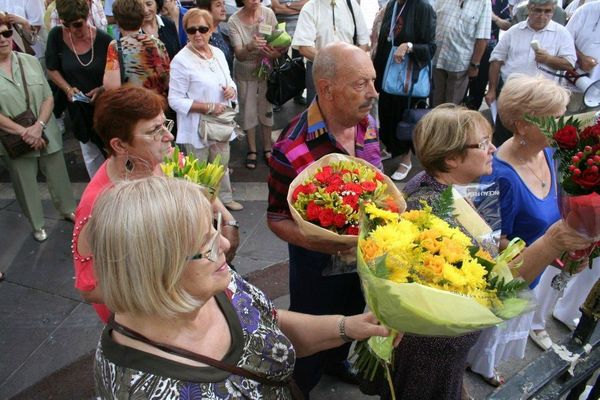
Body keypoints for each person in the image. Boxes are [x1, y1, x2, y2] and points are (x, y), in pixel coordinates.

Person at [91, 176, 397, 398]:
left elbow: (267, 325)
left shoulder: (214, 284)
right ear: (158, 267)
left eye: (215, 228)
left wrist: (348, 327)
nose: (224, 243)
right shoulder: (141, 388)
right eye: (206, 244)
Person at [377, 103, 592, 399]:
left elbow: (492, 253)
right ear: (451, 158)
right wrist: (552, 241)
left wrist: (552, 256)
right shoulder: (429, 213)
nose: (493, 148)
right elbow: (492, 286)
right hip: (431, 348)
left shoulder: (454, 187)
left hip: (450, 344)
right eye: (482, 143)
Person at [267, 42, 381, 397]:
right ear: (327, 89)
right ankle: (299, 385)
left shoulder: (368, 125)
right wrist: (324, 242)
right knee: (312, 332)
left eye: (373, 82)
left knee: (352, 313)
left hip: (364, 260)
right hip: (317, 267)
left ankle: (337, 361)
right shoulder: (291, 146)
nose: (374, 94)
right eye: (361, 84)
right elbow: (275, 218)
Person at [72, 86, 240, 323]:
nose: (169, 137)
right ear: (119, 145)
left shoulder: (166, 156)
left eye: (165, 125)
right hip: (153, 312)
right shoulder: (98, 205)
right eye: (154, 131)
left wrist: (228, 221)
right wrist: (172, 281)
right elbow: (89, 288)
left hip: (196, 283)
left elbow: (200, 183)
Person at [485, 75, 591, 352]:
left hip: (534, 278)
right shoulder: (497, 177)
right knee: (488, 345)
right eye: (554, 118)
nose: (563, 124)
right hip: (505, 286)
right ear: (522, 126)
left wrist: (567, 252)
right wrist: (552, 249)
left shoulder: (548, 153)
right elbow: (494, 246)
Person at [0, 14, 76, 242]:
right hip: (14, 138)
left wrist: (38, 125)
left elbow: (48, 97)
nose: (2, 39)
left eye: (5, 33)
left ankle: (68, 209)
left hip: (45, 130)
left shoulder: (29, 60)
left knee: (58, 173)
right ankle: (37, 223)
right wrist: (25, 131)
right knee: (24, 183)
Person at [169, 9, 244, 212]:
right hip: (196, 127)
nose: (198, 34)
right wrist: (206, 107)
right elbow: (174, 100)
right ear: (186, 32)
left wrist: (231, 90)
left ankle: (225, 199)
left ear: (212, 29)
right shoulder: (181, 61)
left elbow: (230, 82)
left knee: (221, 164)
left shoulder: (218, 53)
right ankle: (202, 208)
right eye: (192, 30)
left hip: (220, 123)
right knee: (200, 170)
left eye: (203, 29)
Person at [486, 0, 576, 144]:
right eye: (538, 10)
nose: (542, 16)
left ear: (553, 10)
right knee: (505, 138)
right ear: (529, 9)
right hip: (512, 96)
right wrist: (491, 90)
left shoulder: (561, 33)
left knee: (536, 141)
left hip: (543, 100)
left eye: (547, 11)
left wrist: (548, 59)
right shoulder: (514, 31)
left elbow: (569, 64)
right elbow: (496, 60)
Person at [46, 0, 112, 178]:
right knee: (90, 155)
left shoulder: (105, 41)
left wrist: (102, 88)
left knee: (112, 153)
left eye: (77, 24)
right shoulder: (56, 36)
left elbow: (117, 74)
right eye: (66, 24)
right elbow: (51, 68)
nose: (71, 29)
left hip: (104, 107)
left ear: (87, 17)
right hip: (78, 108)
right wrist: (67, 89)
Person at [372, 0, 435, 182]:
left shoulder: (423, 7)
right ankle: (390, 148)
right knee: (386, 112)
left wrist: (409, 46)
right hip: (386, 71)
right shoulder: (392, 4)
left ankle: (406, 159)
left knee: (405, 117)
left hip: (407, 76)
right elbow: (385, 39)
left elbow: (431, 48)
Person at [228, 0, 282, 170]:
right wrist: (251, 46)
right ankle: (252, 150)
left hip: (265, 69)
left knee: (266, 109)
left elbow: (281, 40)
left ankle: (268, 147)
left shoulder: (269, 14)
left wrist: (275, 52)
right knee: (248, 110)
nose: (255, 0)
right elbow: (240, 54)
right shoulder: (234, 21)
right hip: (245, 71)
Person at [292, 0, 369, 103]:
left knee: (348, 112)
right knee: (318, 114)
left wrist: (353, 65)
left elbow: (363, 41)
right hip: (319, 71)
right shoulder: (310, 7)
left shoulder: (351, 5)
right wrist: (334, 64)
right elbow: (304, 47)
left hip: (349, 72)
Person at [102, 0, 170, 99]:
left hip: (131, 106)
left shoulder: (116, 46)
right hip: (156, 103)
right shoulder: (158, 43)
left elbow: (111, 87)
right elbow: (167, 78)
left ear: (117, 22)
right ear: (142, 20)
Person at [431, 0, 491, 106]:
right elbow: (432, 20)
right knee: (435, 104)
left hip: (459, 64)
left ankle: (448, 123)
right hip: (437, 59)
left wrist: (475, 64)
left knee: (451, 108)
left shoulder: (483, 2)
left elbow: (482, 37)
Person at [464, 0, 511, 112]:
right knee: (458, 86)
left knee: (478, 87)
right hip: (464, 46)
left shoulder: (501, 2)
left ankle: (471, 115)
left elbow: (508, 25)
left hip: (487, 50)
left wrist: (494, 17)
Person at [564, 1, 600, 113]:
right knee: (567, 125)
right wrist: (580, 58)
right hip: (575, 85)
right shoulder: (586, 10)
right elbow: (564, 41)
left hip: (597, 95)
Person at [197, 0, 234, 73]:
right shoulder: (201, 36)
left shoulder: (218, 29)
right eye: (218, 5)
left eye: (224, 4)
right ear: (206, 10)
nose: (224, 9)